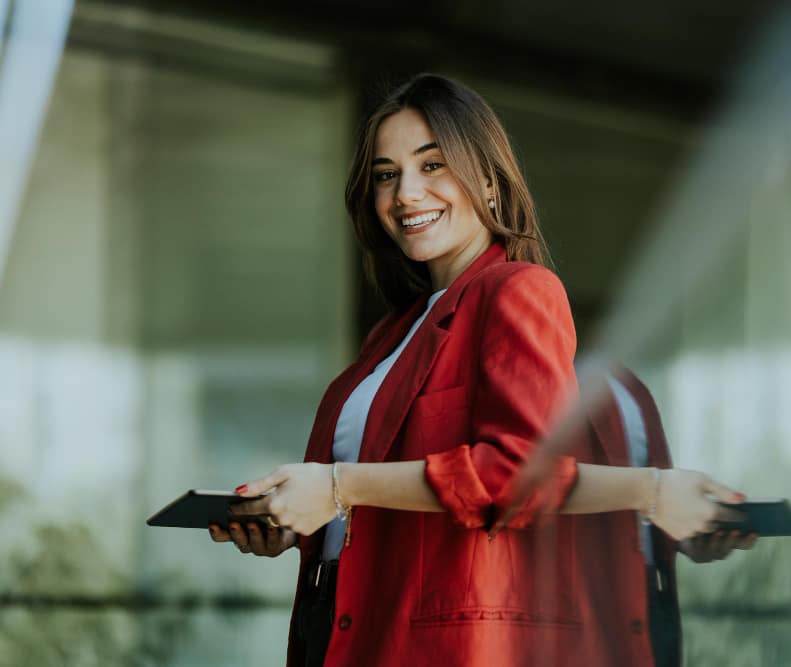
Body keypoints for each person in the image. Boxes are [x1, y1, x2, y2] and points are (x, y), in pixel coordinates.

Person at [206, 73, 746, 667]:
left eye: (432, 165)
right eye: (387, 174)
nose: (406, 193)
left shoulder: (519, 291)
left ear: (488, 180)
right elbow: (375, 512)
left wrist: (336, 487)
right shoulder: (392, 335)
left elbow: (522, 473)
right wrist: (291, 523)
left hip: (441, 638)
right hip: (341, 616)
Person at [575, 366, 757, 667]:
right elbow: (514, 483)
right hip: (582, 604)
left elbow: (643, 508)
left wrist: (681, 537)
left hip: (649, 601)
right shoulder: (537, 365)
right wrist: (655, 492)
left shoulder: (625, 382)